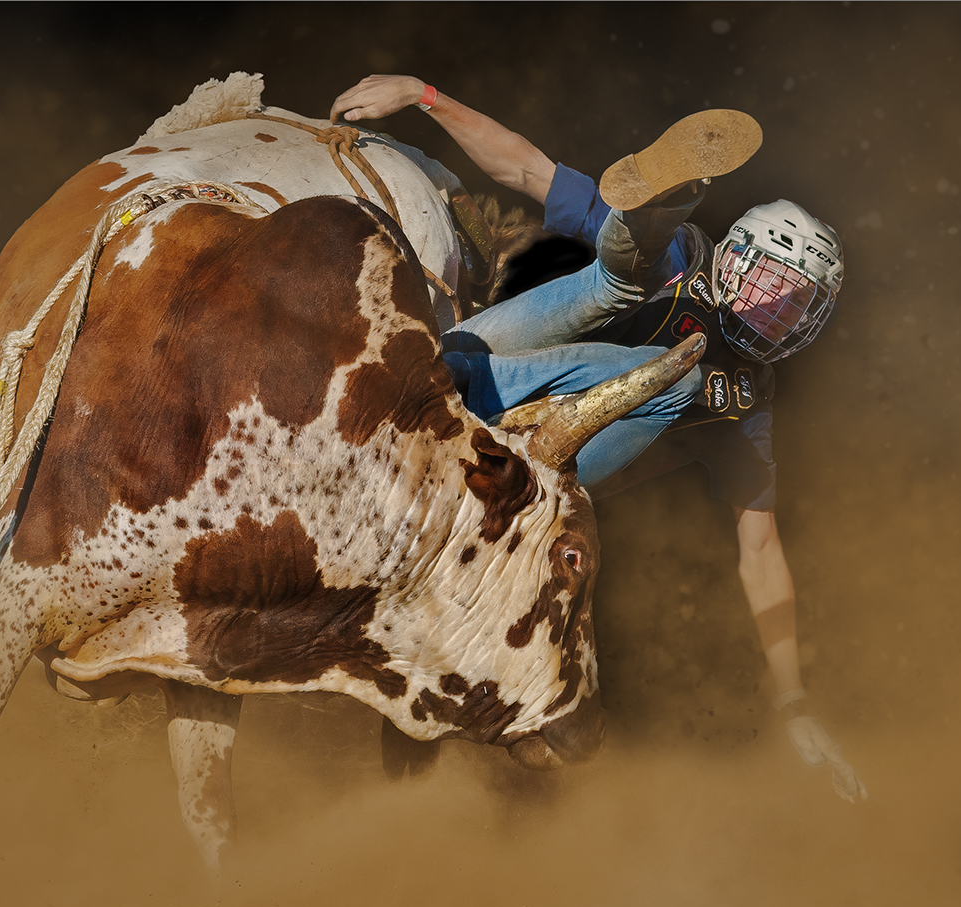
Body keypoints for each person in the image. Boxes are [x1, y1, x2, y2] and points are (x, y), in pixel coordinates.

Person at [331, 76, 866, 802]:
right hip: (484, 372)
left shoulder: (744, 405)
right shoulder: (683, 264)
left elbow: (762, 554)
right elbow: (525, 169)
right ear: (736, 254)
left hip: (526, 493)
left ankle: (632, 235)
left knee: (679, 381)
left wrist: (794, 705)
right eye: (770, 282)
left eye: (794, 305)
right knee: (637, 313)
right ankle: (637, 225)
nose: (773, 309)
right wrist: (423, 95)